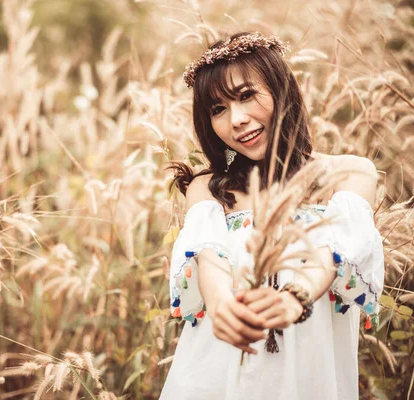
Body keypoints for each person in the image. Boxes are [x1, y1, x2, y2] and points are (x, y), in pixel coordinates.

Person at [160, 32, 384, 400]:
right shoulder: (210, 189)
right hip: (213, 380)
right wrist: (221, 306)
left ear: (282, 89)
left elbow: (332, 254)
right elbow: (207, 258)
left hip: (308, 381)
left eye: (246, 95)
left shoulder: (349, 174)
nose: (236, 120)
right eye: (218, 110)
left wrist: (295, 297)